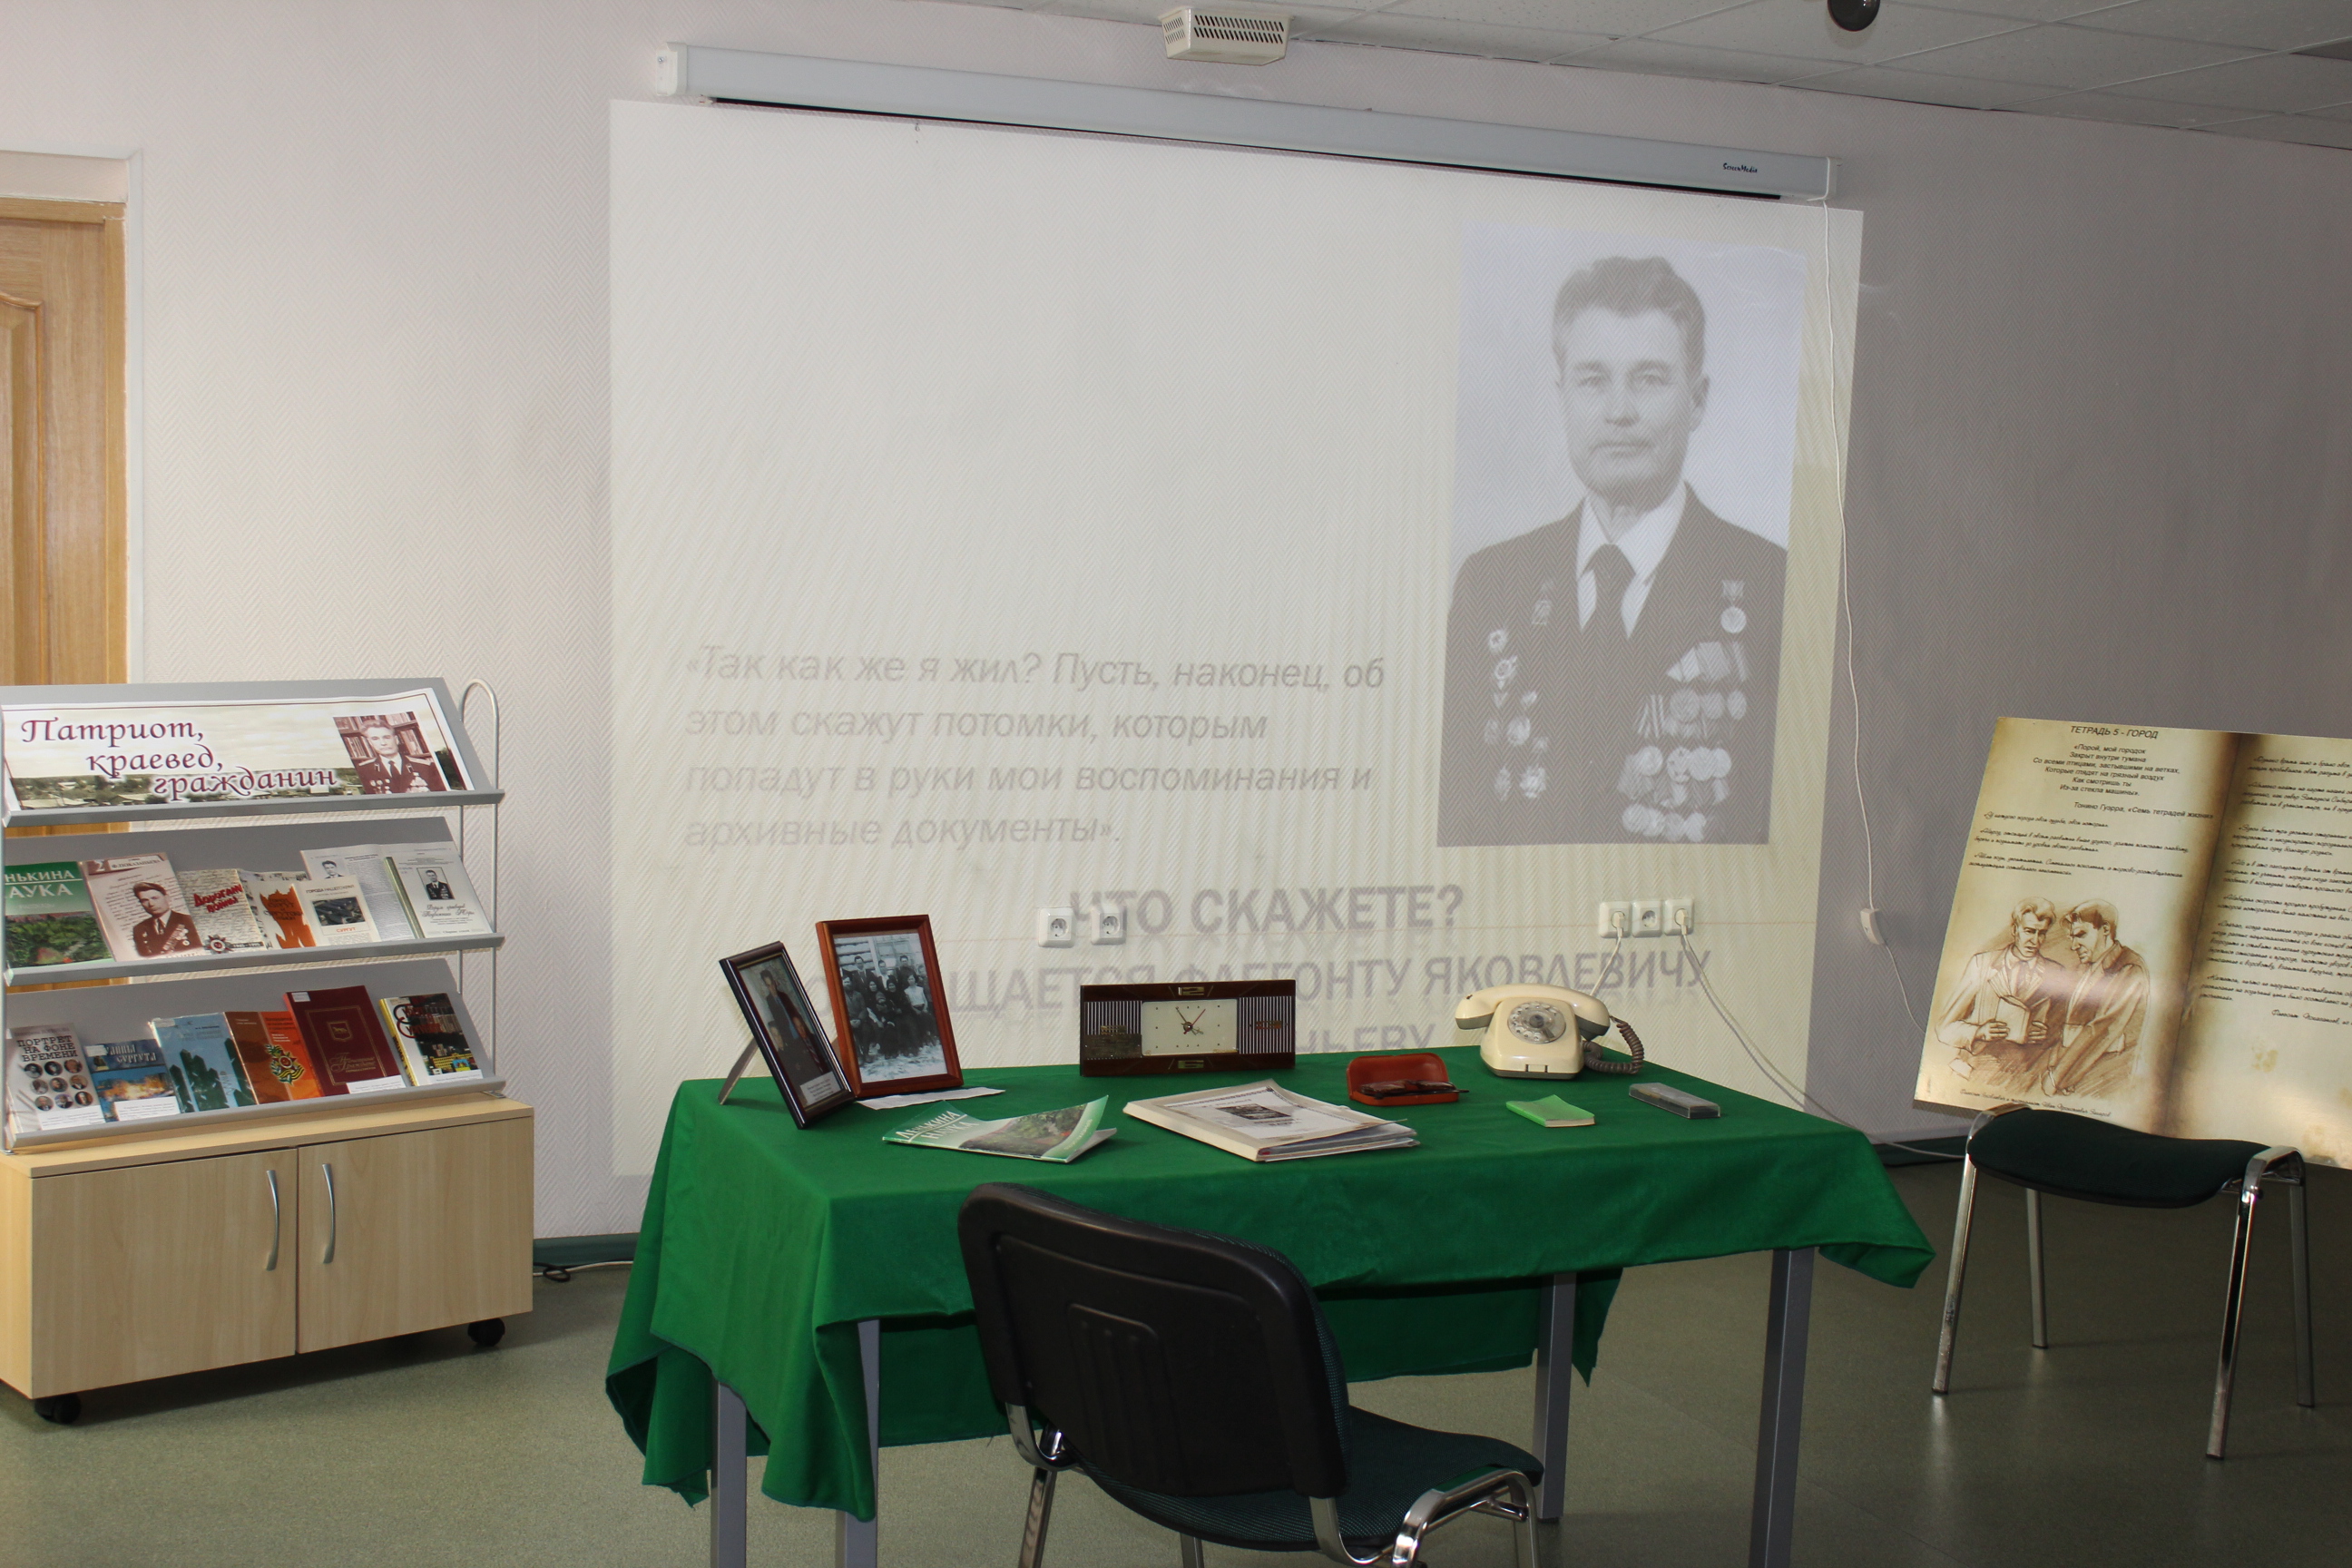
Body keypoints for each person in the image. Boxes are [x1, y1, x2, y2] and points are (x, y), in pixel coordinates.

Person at [1438, 255, 1785, 846]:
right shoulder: (1490, 585)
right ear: (1563, 397)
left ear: (1698, 400)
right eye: (1593, 380)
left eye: (1649, 379)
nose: (1619, 410)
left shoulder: (1774, 587)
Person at [1936, 897, 2064, 1089]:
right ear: (2015, 930)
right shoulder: (1982, 964)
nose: (2035, 941)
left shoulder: (2056, 972)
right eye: (2029, 931)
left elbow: (2061, 1032)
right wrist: (1979, 1032)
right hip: (1973, 1072)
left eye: (2042, 933)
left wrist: (2047, 1034)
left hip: (2022, 1077)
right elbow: (1944, 1028)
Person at [2044, 901, 2150, 1098]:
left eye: (2081, 935)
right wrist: (2055, 1067)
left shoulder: (2129, 967)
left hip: (2103, 1076)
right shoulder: (2088, 968)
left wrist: (2057, 1078)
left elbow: (2103, 1030)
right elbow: (2069, 1028)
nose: (2074, 946)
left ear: (2106, 930)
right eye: (2072, 938)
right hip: (2073, 1075)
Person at [353, 720, 446, 794]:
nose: (383, 743)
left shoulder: (426, 767)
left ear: (396, 740)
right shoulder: (364, 769)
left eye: (387, 737)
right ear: (370, 743)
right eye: (375, 739)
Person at [127, 881, 200, 956]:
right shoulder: (139, 929)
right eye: (144, 900)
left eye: (155, 898)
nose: (151, 904)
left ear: (167, 898)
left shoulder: (189, 920)